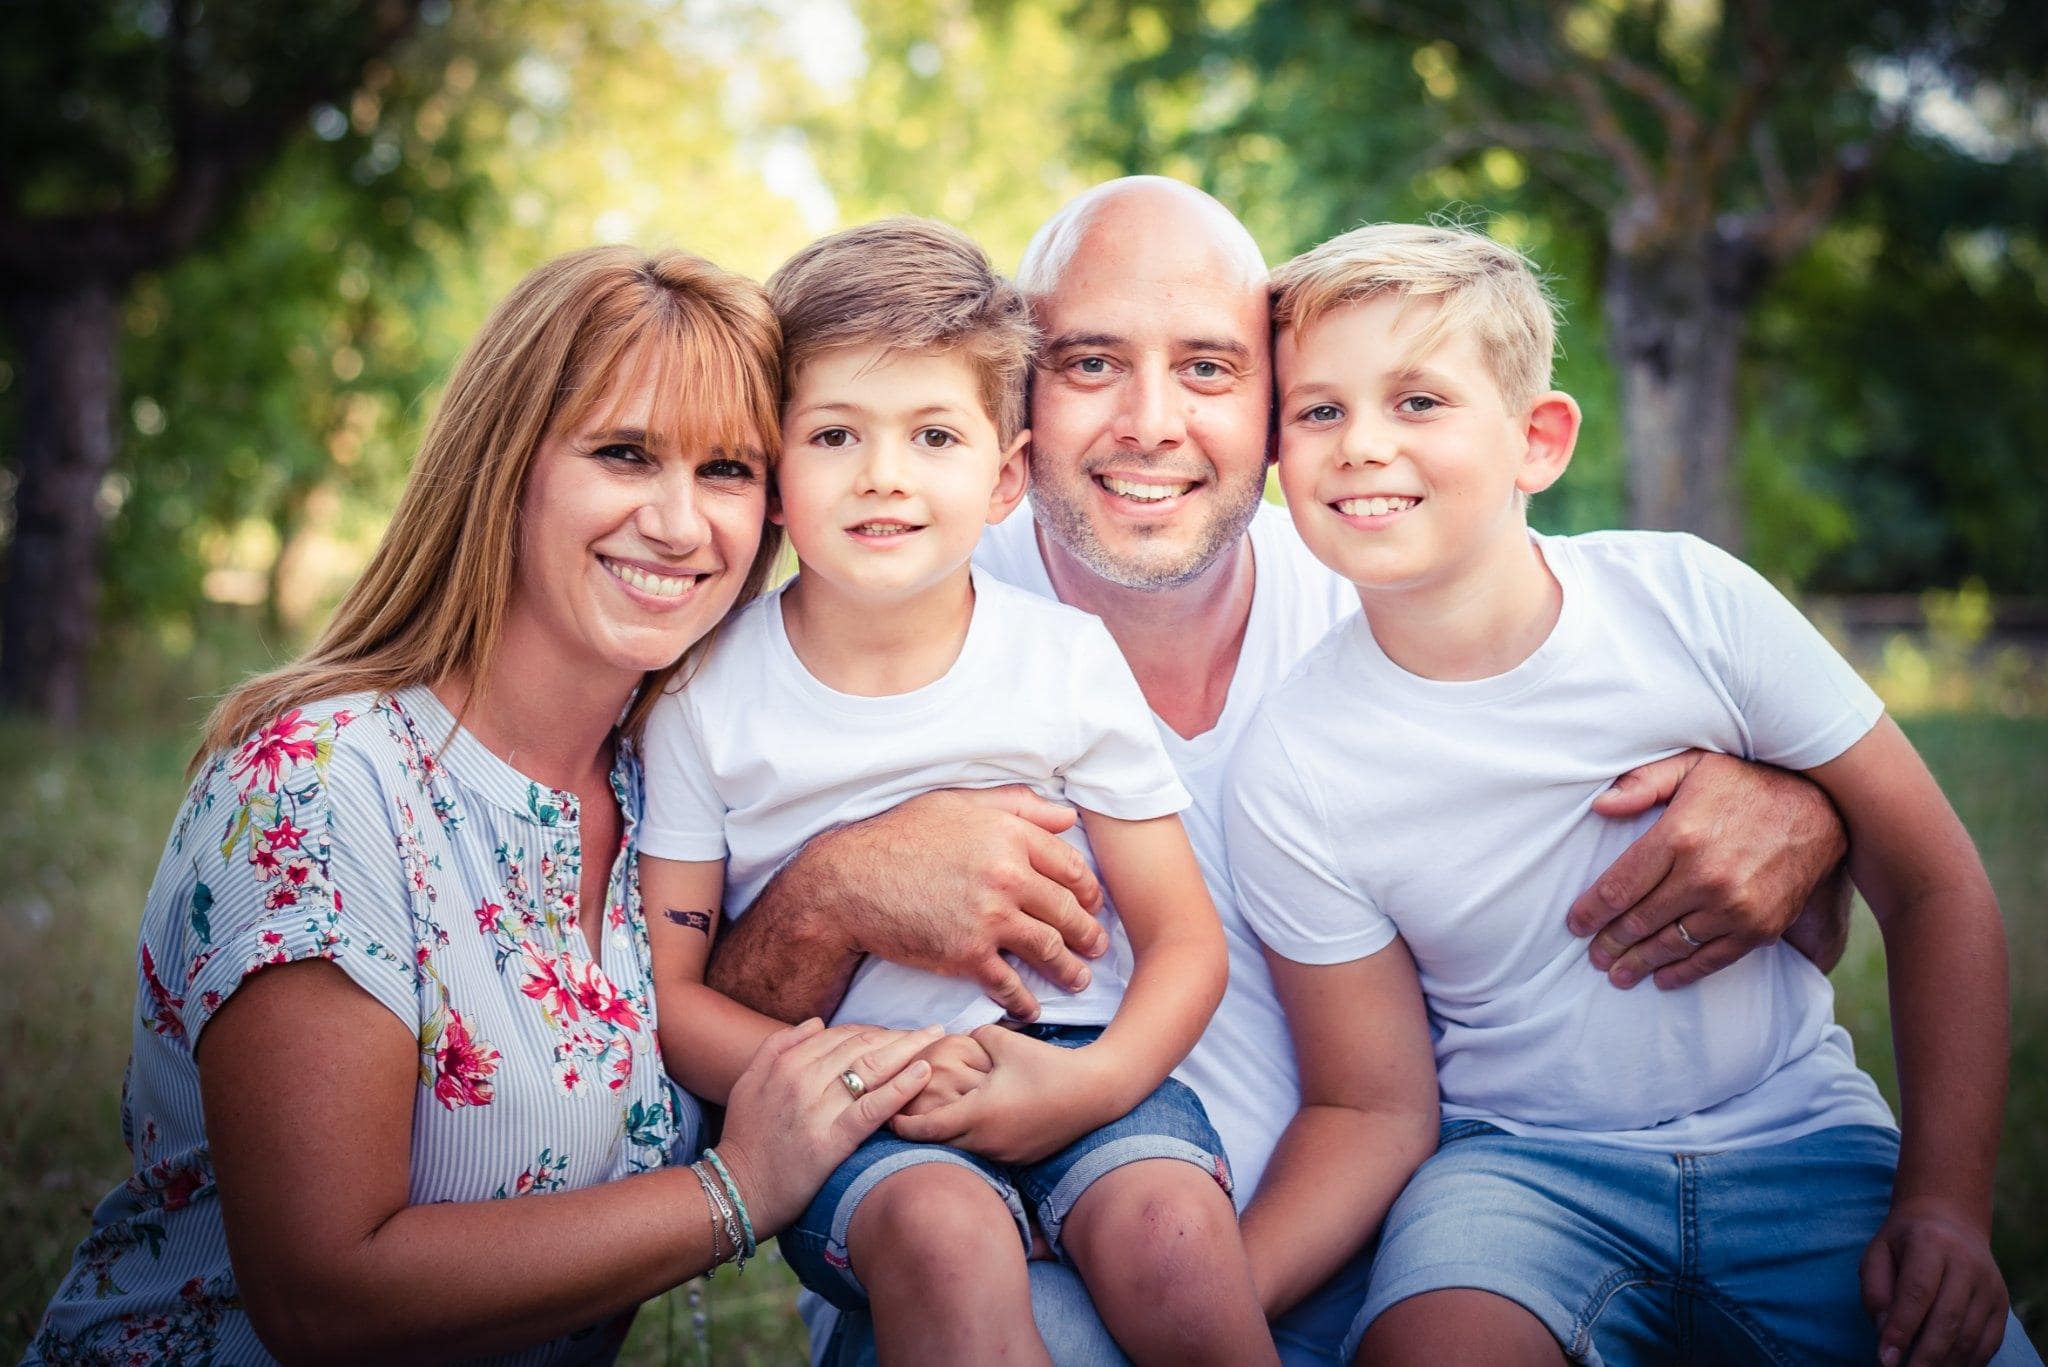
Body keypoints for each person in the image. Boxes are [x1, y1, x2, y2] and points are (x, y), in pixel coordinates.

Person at [705, 177, 1863, 1364]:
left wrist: (1808, 807)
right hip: (1006, 1264)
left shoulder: (1383, 580)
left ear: (1275, 402)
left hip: (1386, 1245)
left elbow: (1604, 672)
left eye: (1207, 367)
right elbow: (665, 1037)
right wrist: (834, 890)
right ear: (1017, 403)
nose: (1150, 422)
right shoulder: (889, 587)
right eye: (1090, 362)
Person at [24, 245, 937, 1364]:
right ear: (503, 465)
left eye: (728, 471)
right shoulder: (319, 784)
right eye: (623, 452)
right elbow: (324, 1292)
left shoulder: (666, 785)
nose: (677, 521)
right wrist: (734, 1188)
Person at [1228, 219, 2035, 1367]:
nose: (1360, 444)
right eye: (1318, 411)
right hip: (1516, 1176)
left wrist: (1945, 1204)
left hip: (1796, 1132)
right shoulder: (1295, 761)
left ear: (1536, 439)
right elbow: (1374, 1102)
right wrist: (1182, 1319)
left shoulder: (1687, 603)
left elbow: (1932, 884)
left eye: (1417, 401)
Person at [636, 217, 1273, 1366]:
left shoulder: (1064, 661)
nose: (883, 473)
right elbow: (672, 999)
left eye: (933, 433)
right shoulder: (703, 697)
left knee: (1174, 1233)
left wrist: (1093, 1084)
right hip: (856, 1115)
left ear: (1004, 476)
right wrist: (853, 1075)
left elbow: (1184, 941)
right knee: (944, 1237)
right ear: (772, 475)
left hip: (1078, 1062)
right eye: (834, 434)